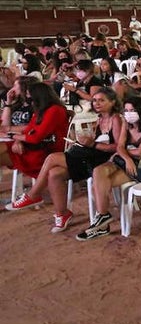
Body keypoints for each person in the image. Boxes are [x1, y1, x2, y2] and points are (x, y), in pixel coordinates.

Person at [7, 87, 124, 234]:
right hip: (91, 155)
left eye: (101, 100)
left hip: (102, 160)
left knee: (52, 158)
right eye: (94, 100)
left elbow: (118, 147)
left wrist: (93, 144)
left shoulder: (116, 119)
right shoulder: (100, 118)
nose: (97, 103)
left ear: (112, 102)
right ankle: (62, 214)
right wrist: (84, 142)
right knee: (54, 173)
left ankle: (33, 195)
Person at [76, 96, 141, 240]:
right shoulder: (127, 124)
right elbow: (120, 146)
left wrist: (121, 153)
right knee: (98, 171)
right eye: (126, 110)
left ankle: (102, 224)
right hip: (125, 161)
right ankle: (103, 217)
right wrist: (127, 157)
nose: (128, 113)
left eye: (132, 110)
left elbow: (140, 151)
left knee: (96, 187)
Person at [0, 81, 68, 191]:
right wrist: (18, 140)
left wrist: (14, 137)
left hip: (44, 152)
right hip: (31, 147)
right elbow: (30, 130)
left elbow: (36, 137)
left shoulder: (54, 110)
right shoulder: (41, 109)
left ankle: (32, 195)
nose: (27, 98)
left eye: (29, 95)